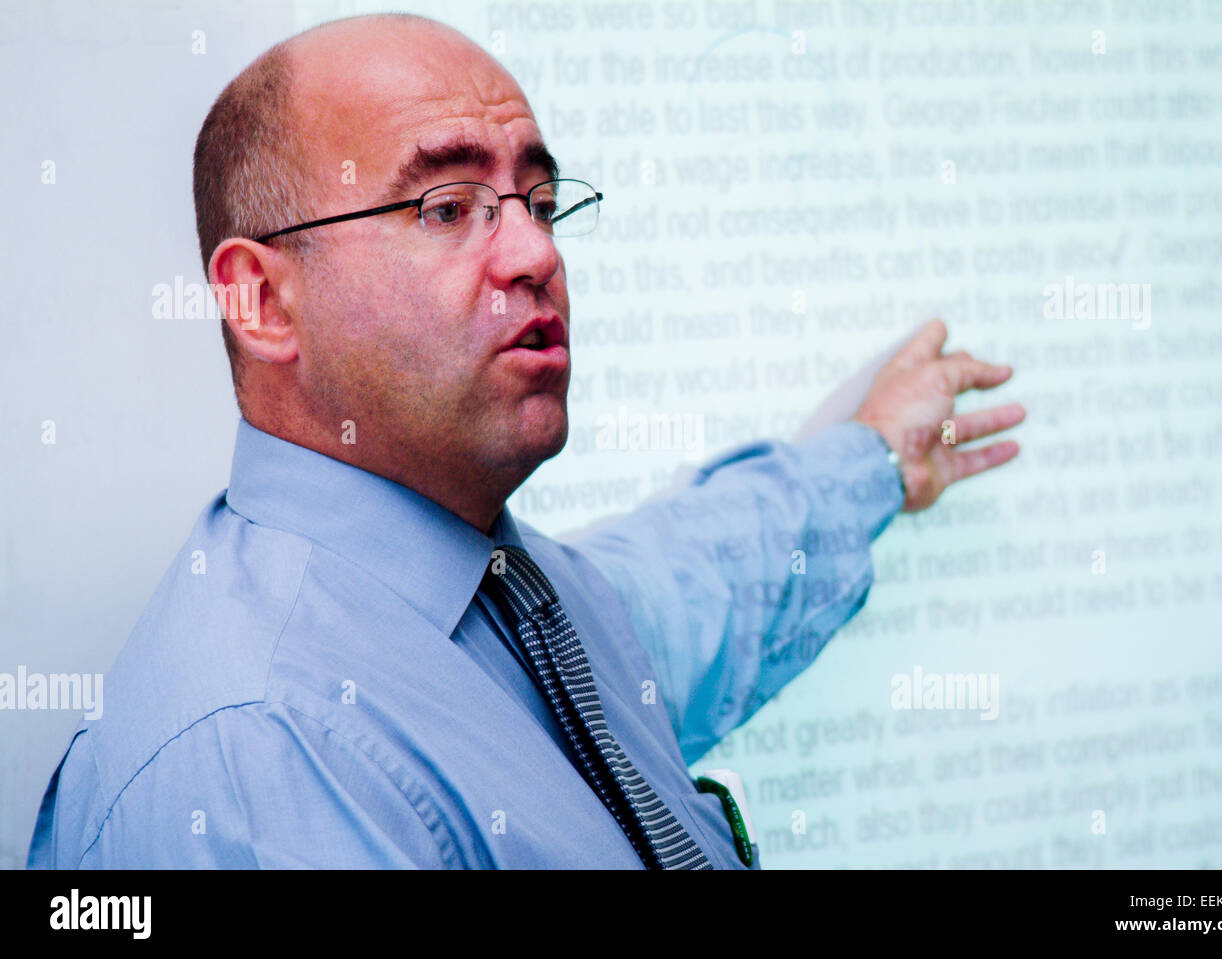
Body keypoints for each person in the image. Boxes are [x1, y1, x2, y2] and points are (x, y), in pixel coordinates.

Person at [27, 12, 1024, 869]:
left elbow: (693, 584)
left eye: (539, 204)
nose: (536, 251)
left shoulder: (507, 592)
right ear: (262, 300)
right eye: (446, 207)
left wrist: (872, 457)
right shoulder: (262, 757)